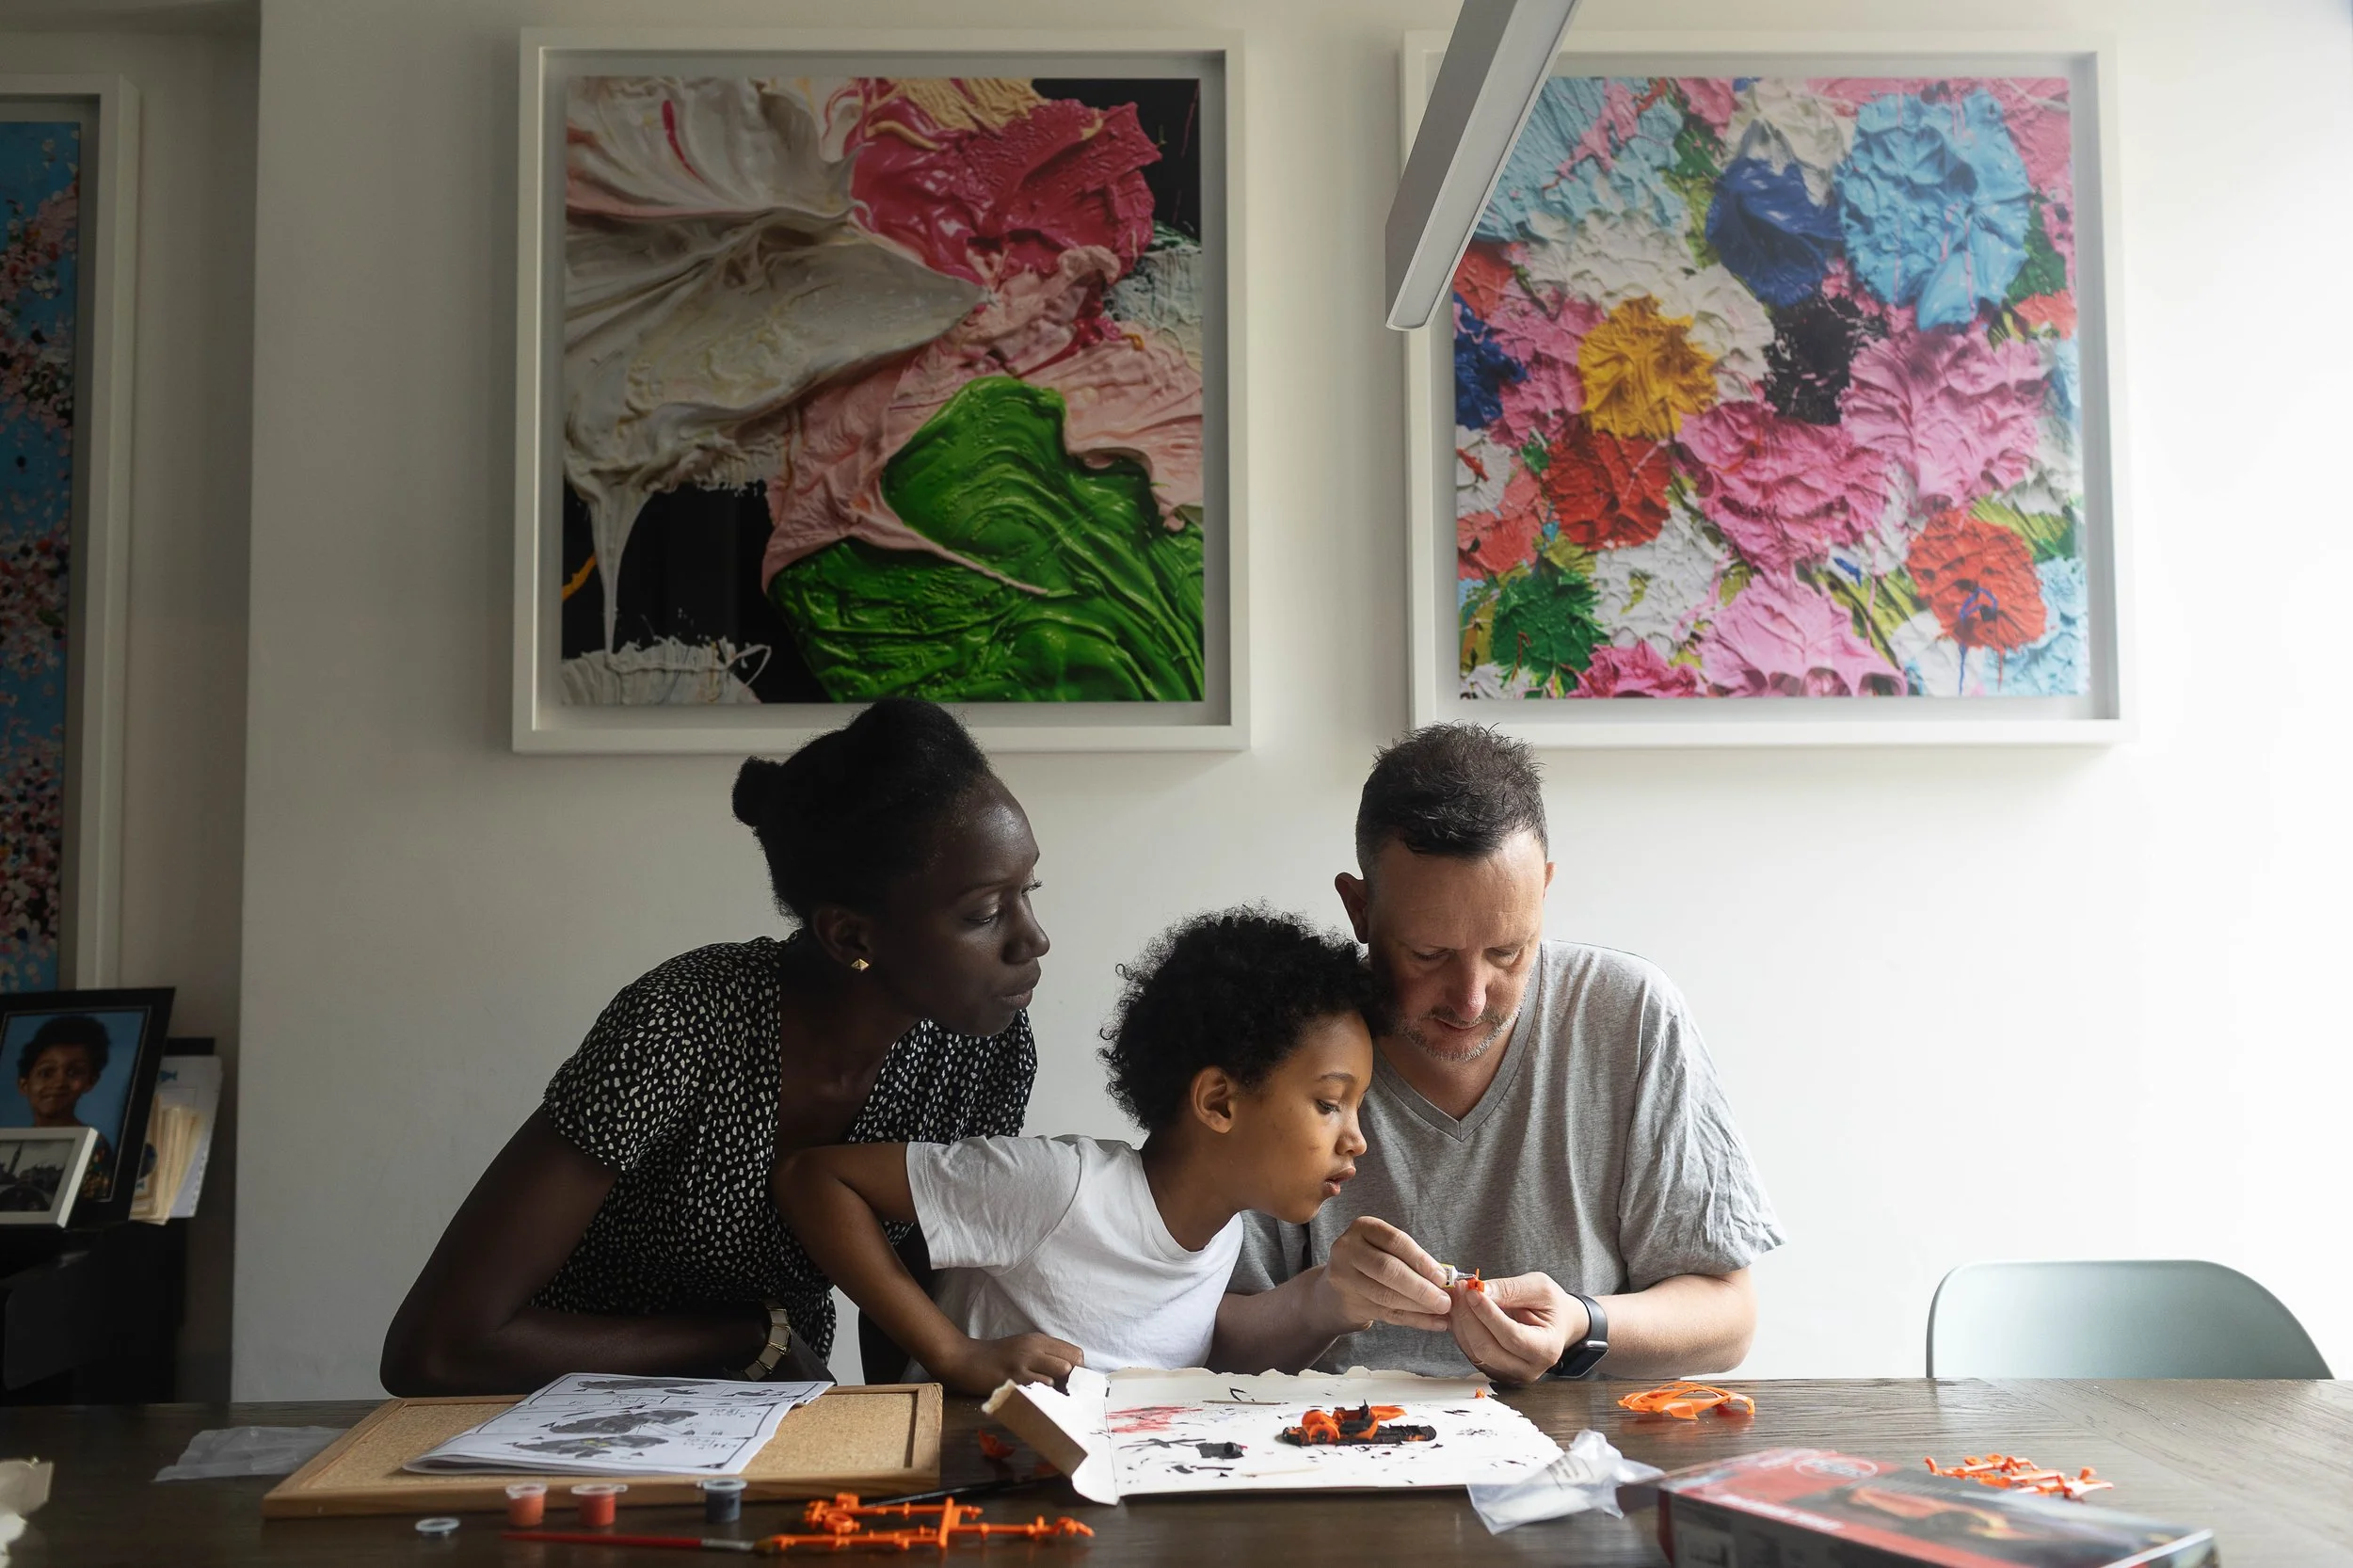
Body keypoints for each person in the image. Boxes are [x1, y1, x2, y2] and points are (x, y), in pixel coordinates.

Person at [380, 699, 1050, 1395]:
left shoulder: (978, 1050)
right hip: (555, 1412)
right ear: (851, 937)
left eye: (1028, 890)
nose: (1033, 939)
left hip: (764, 1411)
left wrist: (905, 1455)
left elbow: (909, 1303)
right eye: (985, 912)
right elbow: (435, 1350)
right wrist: (745, 1336)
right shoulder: (683, 1024)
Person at [1220, 725, 1783, 1384]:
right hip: (1327, 1452)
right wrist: (1320, 1303)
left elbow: (1729, 1317)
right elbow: (1196, 1336)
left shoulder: (1630, 1016)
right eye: (1429, 955)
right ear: (1360, 909)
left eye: (1508, 952)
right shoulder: (1280, 1029)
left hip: (1579, 1458)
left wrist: (1582, 1323)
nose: (1470, 999)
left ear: (1543, 890)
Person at [776, 908, 1378, 1395]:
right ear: (1219, 1102)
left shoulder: (1223, 1237)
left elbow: (1179, 1349)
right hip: (969, 1486)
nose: (1357, 1139)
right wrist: (952, 1353)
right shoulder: (1059, 1186)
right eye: (1330, 1104)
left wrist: (1334, 1302)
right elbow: (816, 1177)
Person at [15, 1015, 117, 1200]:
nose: (59, 1082)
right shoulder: (12, 1144)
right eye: (46, 1073)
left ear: (90, 1081)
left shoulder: (94, 1146)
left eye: (74, 1072)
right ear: (24, 1085)